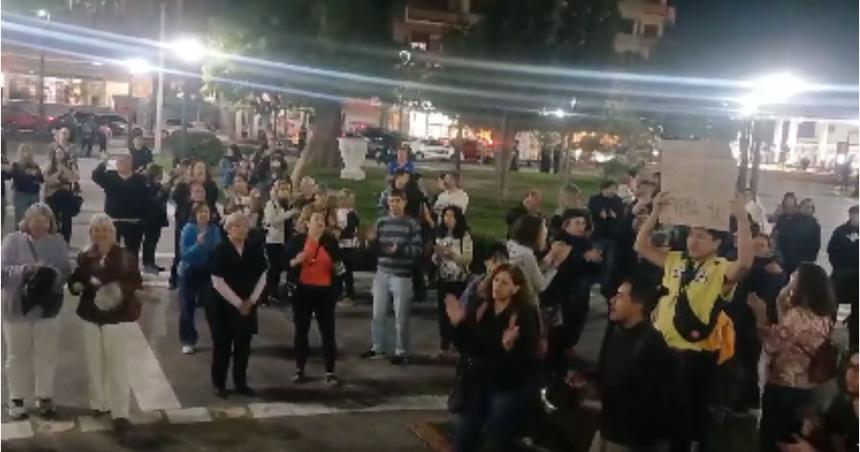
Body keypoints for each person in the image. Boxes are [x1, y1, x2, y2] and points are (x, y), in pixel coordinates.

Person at [634, 191, 753, 452]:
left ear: (716, 243)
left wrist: (742, 220)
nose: (693, 241)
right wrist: (655, 213)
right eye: (690, 234)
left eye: (701, 236)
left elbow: (744, 262)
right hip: (661, 349)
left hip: (693, 358)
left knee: (685, 420)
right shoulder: (676, 260)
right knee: (654, 411)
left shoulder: (719, 268)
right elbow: (641, 246)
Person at [445, 264, 540, 452]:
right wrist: (458, 325)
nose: (497, 285)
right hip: (479, 383)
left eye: (504, 282)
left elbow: (525, 359)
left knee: (494, 437)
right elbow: (468, 347)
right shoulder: (482, 308)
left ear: (516, 288)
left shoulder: (523, 315)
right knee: (463, 436)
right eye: (496, 280)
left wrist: (508, 348)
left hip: (507, 387)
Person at [67, 214, 143, 437]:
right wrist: (77, 285)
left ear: (112, 233)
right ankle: (98, 403)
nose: (101, 234)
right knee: (94, 362)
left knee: (117, 365)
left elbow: (135, 280)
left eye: (105, 230)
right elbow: (74, 280)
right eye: (96, 230)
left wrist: (117, 290)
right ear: (90, 233)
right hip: (90, 314)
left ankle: (120, 411)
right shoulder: (84, 256)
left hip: (116, 316)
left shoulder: (125, 255)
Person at [747, 263, 836, 452]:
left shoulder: (797, 314)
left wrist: (760, 314)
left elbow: (772, 345)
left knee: (774, 437)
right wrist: (781, 302)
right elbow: (790, 335)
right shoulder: (825, 315)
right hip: (806, 384)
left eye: (793, 279)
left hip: (784, 384)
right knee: (795, 435)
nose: (790, 284)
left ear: (804, 284)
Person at [590, 274, 681, 452]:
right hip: (607, 431)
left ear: (637, 304)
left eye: (620, 296)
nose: (612, 301)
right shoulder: (615, 332)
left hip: (632, 440)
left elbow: (669, 401)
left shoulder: (653, 345)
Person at [2, 204, 71, 419]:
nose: (39, 225)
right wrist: (26, 270)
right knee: (17, 355)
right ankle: (17, 398)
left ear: (50, 223)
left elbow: (66, 272)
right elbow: (2, 271)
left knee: (46, 354)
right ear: (26, 221)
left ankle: (44, 396)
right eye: (35, 220)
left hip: (46, 308)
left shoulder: (57, 242)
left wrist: (50, 274)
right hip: (17, 308)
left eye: (44, 221)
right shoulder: (13, 240)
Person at [208, 212, 268, 398]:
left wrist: (251, 301)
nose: (242, 229)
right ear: (228, 229)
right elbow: (217, 281)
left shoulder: (253, 248)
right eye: (238, 226)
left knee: (243, 345)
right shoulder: (220, 249)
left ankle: (240, 382)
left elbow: (263, 275)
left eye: (245, 226)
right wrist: (238, 303)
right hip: (223, 305)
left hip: (248, 304)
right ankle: (219, 384)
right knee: (222, 345)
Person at [725, 233, 786, 413]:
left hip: (754, 322)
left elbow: (768, 295)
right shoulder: (746, 263)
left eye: (762, 246)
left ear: (769, 248)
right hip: (737, 318)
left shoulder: (773, 269)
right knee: (739, 360)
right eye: (754, 246)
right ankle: (742, 400)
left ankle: (744, 402)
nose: (758, 249)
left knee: (748, 362)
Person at [362, 189, 424, 365]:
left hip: (402, 275)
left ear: (404, 202)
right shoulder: (381, 222)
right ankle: (378, 347)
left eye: (397, 200)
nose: (393, 204)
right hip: (382, 272)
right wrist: (371, 242)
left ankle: (401, 351)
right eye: (391, 201)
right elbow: (373, 250)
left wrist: (400, 250)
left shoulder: (412, 224)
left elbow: (418, 250)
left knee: (400, 316)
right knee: (378, 313)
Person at [284, 211, 344, 386]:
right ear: (307, 223)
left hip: (325, 293)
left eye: (322, 220)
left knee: (328, 333)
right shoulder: (297, 242)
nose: (320, 222)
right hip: (302, 292)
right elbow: (283, 262)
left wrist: (337, 273)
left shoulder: (330, 242)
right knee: (301, 331)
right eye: (316, 219)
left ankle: (330, 371)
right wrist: (296, 261)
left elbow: (341, 269)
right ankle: (299, 368)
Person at [542, 209, 602, 376]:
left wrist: (595, 261)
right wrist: (583, 258)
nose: (581, 227)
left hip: (580, 293)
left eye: (583, 223)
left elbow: (593, 271)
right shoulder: (559, 241)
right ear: (566, 225)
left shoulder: (586, 242)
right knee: (558, 332)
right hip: (561, 294)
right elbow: (561, 265)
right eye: (577, 223)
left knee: (575, 327)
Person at [178, 202, 221, 354]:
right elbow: (184, 254)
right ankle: (188, 340)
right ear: (195, 214)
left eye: (206, 212)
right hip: (189, 272)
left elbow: (217, 248)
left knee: (213, 307)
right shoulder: (188, 230)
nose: (204, 215)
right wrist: (198, 244)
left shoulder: (214, 229)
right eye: (200, 212)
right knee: (187, 307)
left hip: (206, 272)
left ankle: (219, 339)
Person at [169, 160, 220, 289]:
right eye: (198, 168)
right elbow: (176, 198)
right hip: (185, 223)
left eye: (203, 168)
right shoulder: (184, 186)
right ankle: (175, 279)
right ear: (192, 171)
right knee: (181, 252)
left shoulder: (210, 186)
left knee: (204, 251)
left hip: (204, 223)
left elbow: (213, 201)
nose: (201, 170)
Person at [432, 205, 474, 356]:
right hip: (443, 278)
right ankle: (445, 343)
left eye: (451, 216)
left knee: (459, 312)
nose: (447, 219)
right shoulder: (440, 234)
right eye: (445, 216)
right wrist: (436, 256)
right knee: (443, 313)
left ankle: (459, 344)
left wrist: (452, 255)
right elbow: (435, 258)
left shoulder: (464, 236)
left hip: (459, 279)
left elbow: (468, 258)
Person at [92, 154, 150, 256]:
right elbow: (96, 176)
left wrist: (144, 218)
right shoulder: (110, 177)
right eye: (121, 162)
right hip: (113, 221)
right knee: (111, 252)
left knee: (132, 253)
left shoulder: (140, 179)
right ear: (117, 164)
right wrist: (103, 163)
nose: (124, 164)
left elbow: (146, 199)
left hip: (133, 221)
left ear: (131, 163)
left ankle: (132, 271)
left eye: (127, 162)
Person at [262, 180, 298, 304]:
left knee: (286, 266)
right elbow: (272, 221)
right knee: (274, 268)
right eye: (282, 189)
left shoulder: (289, 205)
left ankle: (283, 292)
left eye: (287, 189)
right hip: (274, 241)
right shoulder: (271, 204)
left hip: (287, 240)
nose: (285, 192)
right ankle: (267, 294)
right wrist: (290, 214)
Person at [588, 180, 625, 296]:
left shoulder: (617, 200)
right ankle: (594, 281)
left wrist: (610, 214)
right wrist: (608, 214)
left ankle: (605, 286)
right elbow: (600, 213)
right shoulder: (595, 199)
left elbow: (618, 214)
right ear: (604, 188)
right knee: (595, 260)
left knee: (610, 263)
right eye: (612, 188)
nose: (614, 191)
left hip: (613, 237)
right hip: (599, 235)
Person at [42, 145, 80, 243]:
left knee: (67, 219)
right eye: (57, 153)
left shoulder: (70, 164)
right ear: (54, 155)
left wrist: (63, 168)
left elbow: (74, 178)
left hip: (66, 196)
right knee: (53, 219)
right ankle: (53, 240)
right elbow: (48, 180)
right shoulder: (49, 165)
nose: (59, 155)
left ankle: (66, 241)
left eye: (61, 153)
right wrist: (58, 172)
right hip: (52, 196)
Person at [776, 198, 821, 276]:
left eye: (811, 208)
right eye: (806, 207)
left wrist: (812, 260)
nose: (808, 210)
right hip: (788, 261)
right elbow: (781, 240)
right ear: (800, 207)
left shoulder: (815, 226)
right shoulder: (789, 222)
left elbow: (816, 245)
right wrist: (782, 256)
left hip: (805, 262)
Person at [141, 164, 169, 274]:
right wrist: (163, 193)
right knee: (149, 242)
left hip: (157, 218)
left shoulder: (157, 185)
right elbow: (153, 201)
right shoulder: (148, 185)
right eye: (160, 173)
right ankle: (147, 263)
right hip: (150, 219)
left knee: (154, 241)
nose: (161, 175)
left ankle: (151, 262)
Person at [333, 188, 360, 304]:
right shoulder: (336, 211)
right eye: (341, 197)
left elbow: (351, 230)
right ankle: (338, 293)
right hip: (338, 247)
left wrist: (339, 234)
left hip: (348, 247)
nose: (342, 200)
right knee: (338, 271)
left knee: (347, 272)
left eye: (345, 198)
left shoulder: (352, 213)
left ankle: (350, 295)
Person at [10, 144, 43, 225]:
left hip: (34, 194)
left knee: (33, 218)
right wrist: (28, 173)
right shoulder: (16, 165)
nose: (26, 153)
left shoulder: (35, 165)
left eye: (28, 151)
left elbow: (41, 179)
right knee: (20, 219)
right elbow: (15, 177)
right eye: (24, 151)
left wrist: (36, 175)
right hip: (21, 195)